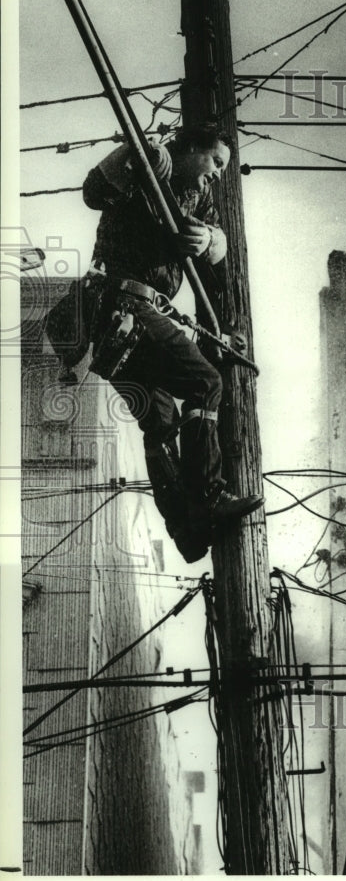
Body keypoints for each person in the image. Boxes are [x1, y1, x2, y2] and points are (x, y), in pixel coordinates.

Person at [79, 124, 262, 562]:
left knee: (160, 425)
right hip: (125, 305)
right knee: (206, 383)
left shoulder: (199, 198)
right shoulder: (148, 167)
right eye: (216, 161)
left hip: (114, 326)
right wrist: (135, 154)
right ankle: (209, 496)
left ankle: (184, 528)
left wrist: (212, 241)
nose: (217, 174)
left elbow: (218, 252)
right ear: (191, 148)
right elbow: (93, 193)